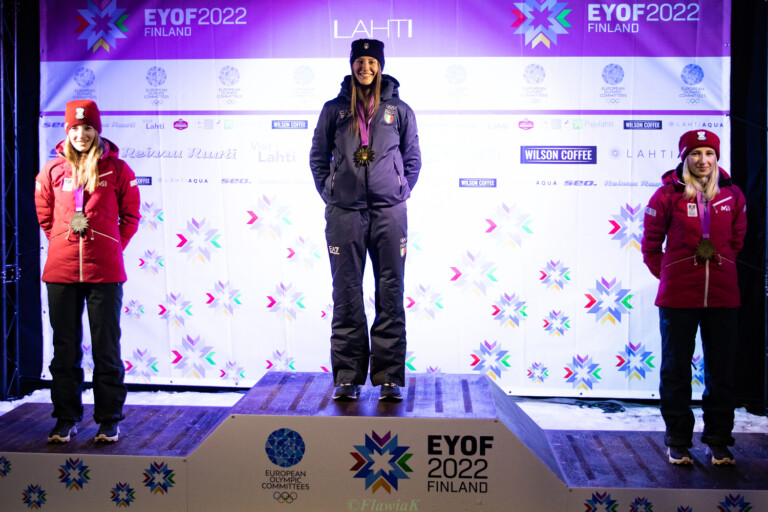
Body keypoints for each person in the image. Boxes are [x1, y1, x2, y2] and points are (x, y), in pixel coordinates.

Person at [310, 39, 421, 402]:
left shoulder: (399, 110)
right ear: (352, 65)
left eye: (372, 62)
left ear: (381, 66)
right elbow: (317, 157)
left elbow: (413, 158)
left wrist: (399, 190)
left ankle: (389, 376)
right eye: (360, 61)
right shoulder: (334, 110)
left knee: (390, 292)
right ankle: (347, 376)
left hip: (389, 213)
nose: (366, 68)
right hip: (345, 214)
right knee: (346, 294)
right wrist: (331, 192)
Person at [35, 100, 141, 443]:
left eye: (88, 128)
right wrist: (64, 243)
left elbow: (131, 217)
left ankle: (109, 418)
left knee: (106, 348)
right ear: (67, 131)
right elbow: (46, 216)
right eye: (75, 128)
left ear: (98, 130)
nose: (81, 134)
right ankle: (66, 417)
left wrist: (110, 245)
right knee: (64, 348)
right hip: (61, 272)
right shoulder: (52, 171)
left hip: (105, 273)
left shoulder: (119, 170)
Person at [641, 129, 747, 465]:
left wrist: (717, 269)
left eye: (709, 154)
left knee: (722, 371)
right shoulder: (666, 196)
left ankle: (718, 440)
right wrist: (672, 275)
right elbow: (650, 246)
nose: (703, 161)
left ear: (717, 158)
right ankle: (678, 441)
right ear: (684, 158)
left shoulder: (732, 196)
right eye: (696, 154)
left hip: (722, 296)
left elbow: (738, 240)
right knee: (675, 370)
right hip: (678, 298)